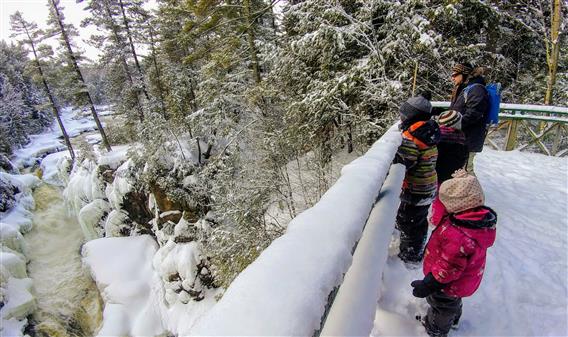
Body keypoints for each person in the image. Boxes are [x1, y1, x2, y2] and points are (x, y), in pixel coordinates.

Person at [410, 169, 497, 337]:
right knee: (453, 302)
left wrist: (428, 284)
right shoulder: (472, 220)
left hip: (448, 283)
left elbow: (448, 269)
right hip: (461, 281)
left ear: (459, 204)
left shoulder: (459, 235)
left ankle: (436, 329)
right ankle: (454, 320)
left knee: (442, 305)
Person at [393, 94, 440, 264]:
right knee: (419, 221)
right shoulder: (429, 130)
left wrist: (396, 158)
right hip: (428, 185)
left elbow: (408, 161)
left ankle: (411, 254)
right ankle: (417, 248)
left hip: (415, 188)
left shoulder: (412, 135)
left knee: (409, 222)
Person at [448, 62, 489, 174]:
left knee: (466, 170)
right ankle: (464, 191)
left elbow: (474, 113)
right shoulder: (464, 89)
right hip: (462, 136)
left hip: (469, 137)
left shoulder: (476, 89)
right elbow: (457, 110)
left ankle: (474, 191)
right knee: (461, 169)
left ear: (464, 74)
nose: (453, 78)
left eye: (455, 75)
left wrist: (454, 123)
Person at [430, 110, 468, 225]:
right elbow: (464, 157)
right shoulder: (461, 139)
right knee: (446, 197)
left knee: (438, 198)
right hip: (452, 174)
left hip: (437, 173)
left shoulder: (436, 138)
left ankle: (435, 219)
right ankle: (446, 216)